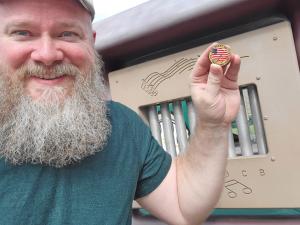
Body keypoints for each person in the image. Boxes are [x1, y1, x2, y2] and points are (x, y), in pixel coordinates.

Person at [0, 0, 241, 224]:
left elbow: (182, 204)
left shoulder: (121, 123)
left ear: (91, 43)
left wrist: (212, 123)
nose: (48, 55)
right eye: (23, 33)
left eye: (68, 34)